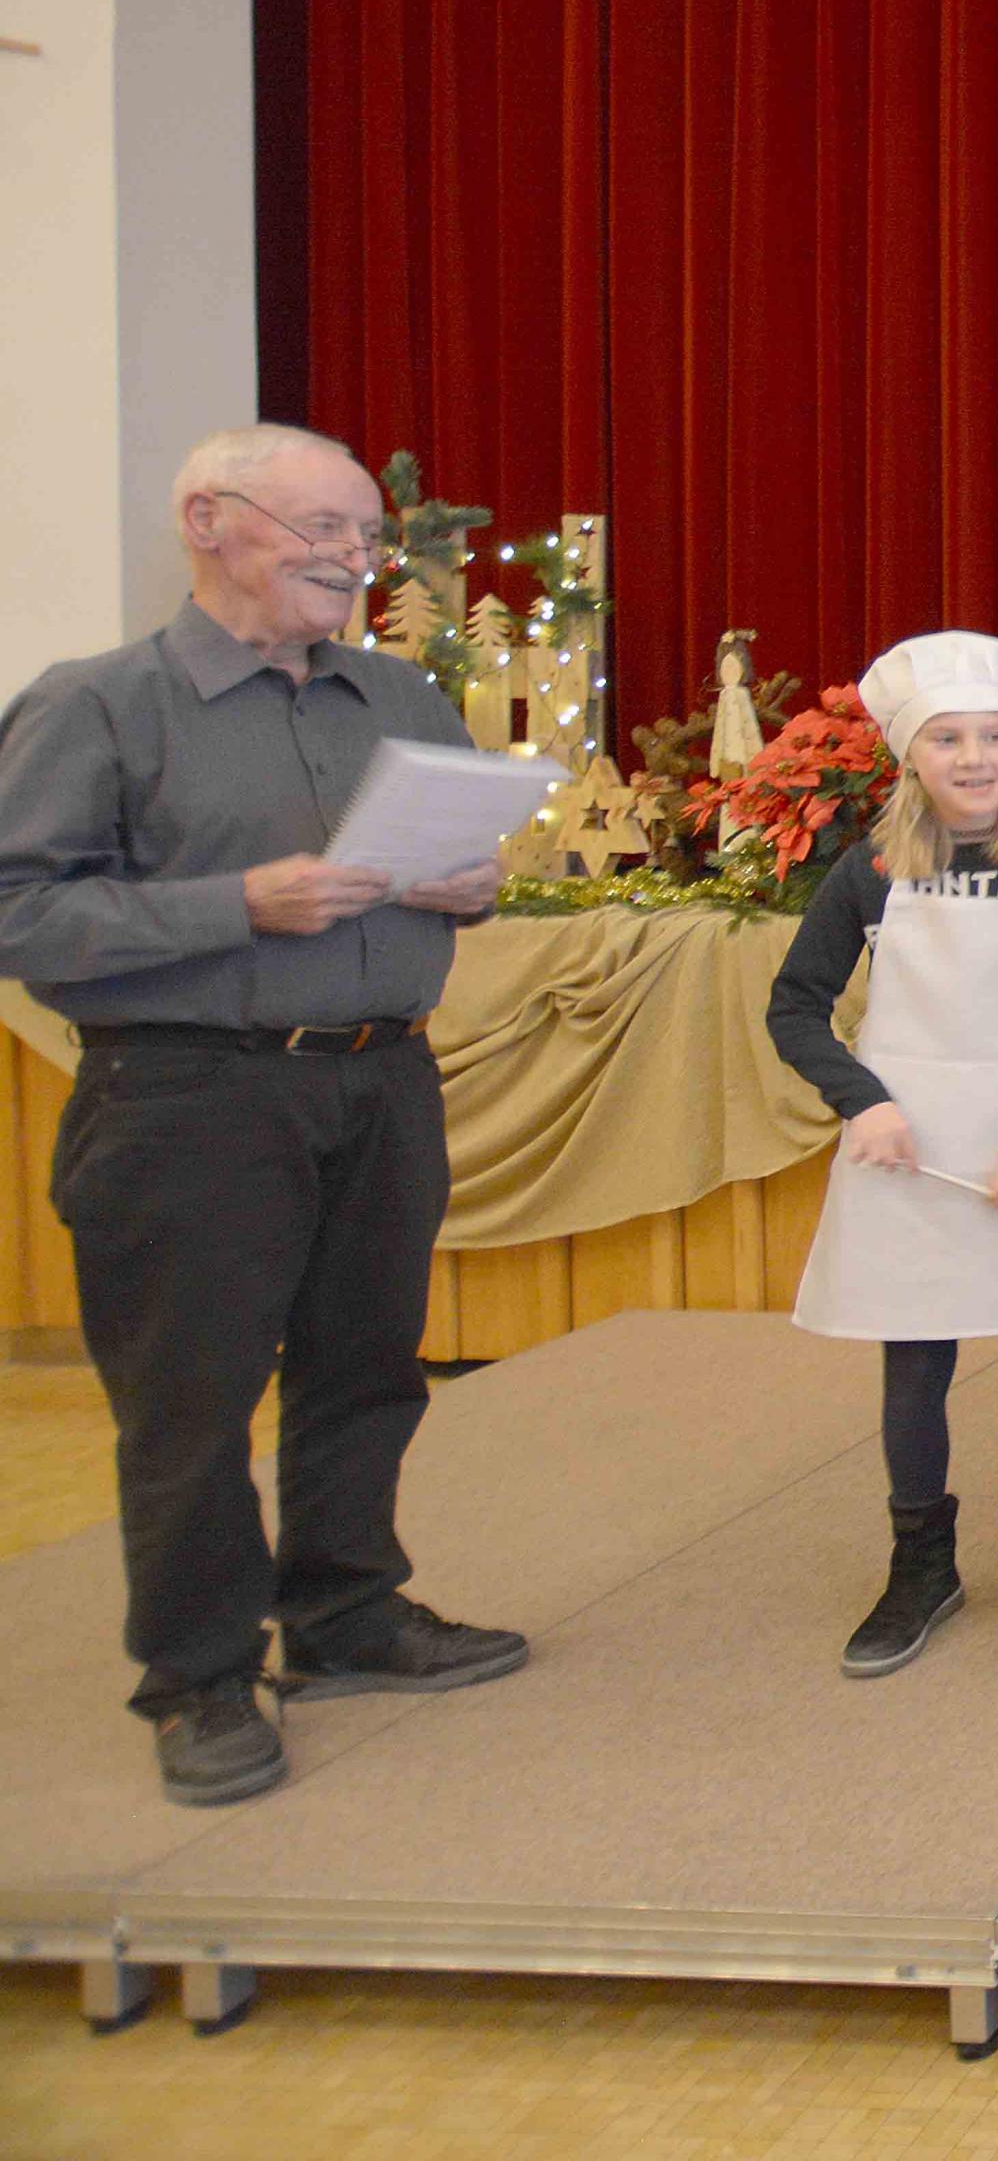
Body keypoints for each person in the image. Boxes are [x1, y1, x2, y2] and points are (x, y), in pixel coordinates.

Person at [0, 424, 529, 1808]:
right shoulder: (98, 704)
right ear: (208, 521)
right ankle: (198, 1674)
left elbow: (462, 866)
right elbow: (19, 911)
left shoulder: (400, 696)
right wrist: (237, 903)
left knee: (367, 1366)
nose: (355, 560)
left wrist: (467, 888)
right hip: (187, 1092)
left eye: (368, 538)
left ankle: (346, 1611)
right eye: (324, 531)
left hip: (382, 1077)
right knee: (193, 1398)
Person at [766, 631, 998, 1679]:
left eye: (991, 737)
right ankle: (921, 1564)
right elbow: (794, 1006)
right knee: (914, 1358)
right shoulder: (868, 871)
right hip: (907, 1156)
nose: (972, 758)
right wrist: (860, 1101)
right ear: (911, 757)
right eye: (948, 739)